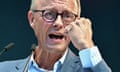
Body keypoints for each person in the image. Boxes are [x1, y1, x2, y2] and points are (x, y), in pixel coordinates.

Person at [0, 0, 111, 72]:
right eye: (49, 14)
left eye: (67, 16)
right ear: (32, 19)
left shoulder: (89, 69)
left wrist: (87, 47)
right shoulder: (4, 69)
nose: (58, 23)